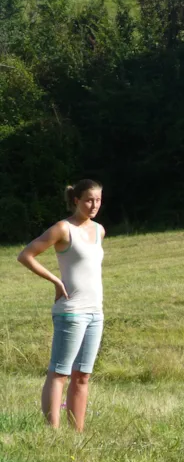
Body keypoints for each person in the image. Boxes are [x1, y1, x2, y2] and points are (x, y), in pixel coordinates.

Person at [17, 180, 105, 432]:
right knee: (60, 373)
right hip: (71, 312)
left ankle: (77, 432)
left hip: (95, 312)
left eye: (98, 200)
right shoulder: (63, 229)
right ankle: (52, 433)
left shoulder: (100, 231)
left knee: (83, 376)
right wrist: (55, 280)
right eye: (89, 200)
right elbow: (26, 255)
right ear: (76, 200)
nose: (94, 205)